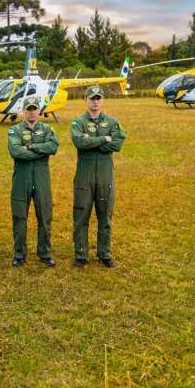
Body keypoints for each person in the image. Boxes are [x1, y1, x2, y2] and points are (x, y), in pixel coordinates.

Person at [70, 85, 126, 268]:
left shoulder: (112, 121)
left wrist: (91, 141)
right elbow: (80, 142)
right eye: (92, 98)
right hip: (84, 173)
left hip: (105, 172)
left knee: (105, 215)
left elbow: (117, 144)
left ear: (102, 100)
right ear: (85, 99)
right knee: (81, 214)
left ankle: (104, 254)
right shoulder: (78, 122)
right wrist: (104, 139)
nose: (95, 101)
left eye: (98, 98)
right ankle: (80, 255)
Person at [7, 96, 59, 267]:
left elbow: (53, 147)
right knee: (19, 216)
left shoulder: (47, 129)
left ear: (39, 110)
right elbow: (15, 152)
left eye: (34, 109)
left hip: (41, 176)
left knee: (44, 215)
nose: (31, 112)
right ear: (23, 110)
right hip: (22, 177)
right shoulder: (15, 130)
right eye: (28, 109)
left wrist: (30, 147)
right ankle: (19, 254)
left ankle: (45, 253)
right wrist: (41, 151)